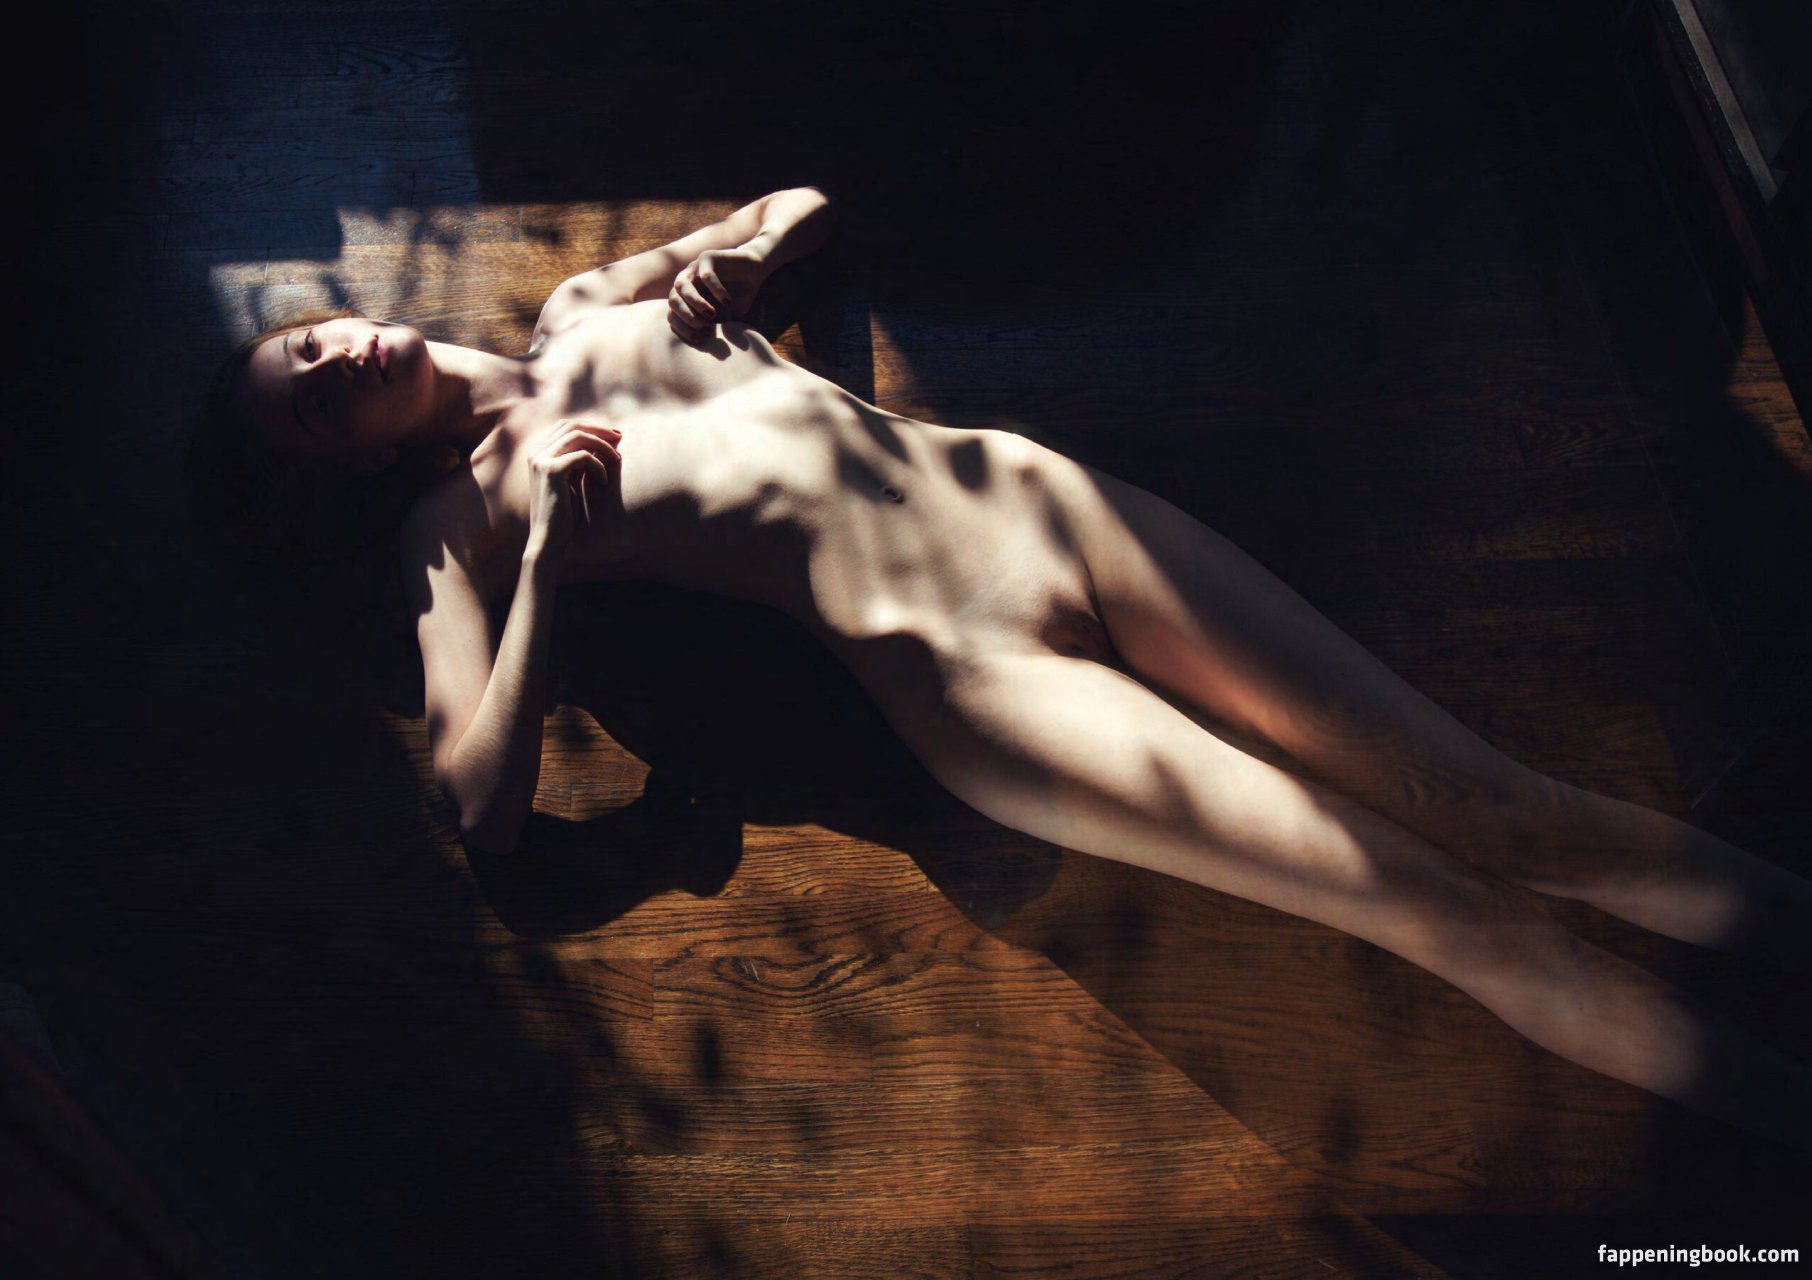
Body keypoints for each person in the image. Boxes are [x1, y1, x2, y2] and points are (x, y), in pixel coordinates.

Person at [199, 185, 1812, 1149]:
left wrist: (748, 259)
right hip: (971, 680)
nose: (339, 365)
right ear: (344, 466)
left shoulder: (584, 307)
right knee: (1437, 906)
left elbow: (804, 205)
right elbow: (478, 809)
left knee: (1498, 806)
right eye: (313, 404)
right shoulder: (457, 528)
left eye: (311, 345)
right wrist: (550, 568)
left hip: (1041, 504)